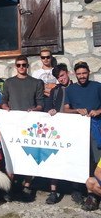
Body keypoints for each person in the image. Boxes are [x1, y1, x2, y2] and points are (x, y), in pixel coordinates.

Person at [1, 55, 44, 198]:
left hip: (30, 126)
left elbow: (40, 103)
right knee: (11, 156)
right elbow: (4, 101)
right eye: (18, 65)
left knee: (30, 156)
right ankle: (8, 187)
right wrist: (6, 108)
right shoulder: (9, 82)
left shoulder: (37, 83)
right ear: (15, 66)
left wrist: (36, 110)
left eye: (24, 65)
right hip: (13, 125)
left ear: (27, 66)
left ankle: (26, 186)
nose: (21, 67)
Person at [64, 61, 101, 206]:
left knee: (96, 162)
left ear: (89, 72)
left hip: (96, 129)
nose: (82, 76)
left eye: (84, 73)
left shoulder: (97, 87)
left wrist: (98, 111)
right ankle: (83, 190)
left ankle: (94, 194)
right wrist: (76, 110)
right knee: (82, 162)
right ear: (75, 74)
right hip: (78, 131)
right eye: (79, 74)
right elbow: (66, 109)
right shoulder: (70, 90)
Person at [44, 63, 73, 204]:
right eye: (58, 77)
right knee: (53, 160)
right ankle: (53, 191)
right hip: (58, 131)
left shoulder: (77, 88)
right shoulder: (55, 90)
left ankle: (76, 190)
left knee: (74, 159)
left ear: (68, 73)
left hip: (74, 130)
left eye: (62, 75)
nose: (61, 79)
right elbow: (48, 106)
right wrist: (50, 110)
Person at [32, 47, 58, 112]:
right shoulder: (36, 73)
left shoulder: (56, 71)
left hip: (53, 101)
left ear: (51, 57)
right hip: (40, 101)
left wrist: (44, 89)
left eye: (48, 57)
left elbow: (58, 87)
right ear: (40, 58)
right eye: (43, 57)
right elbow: (34, 89)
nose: (45, 59)